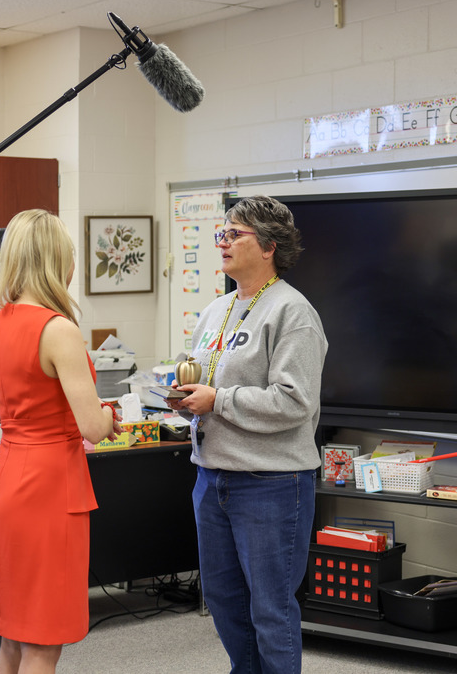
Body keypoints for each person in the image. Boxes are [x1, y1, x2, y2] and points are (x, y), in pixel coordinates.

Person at [166, 195, 327, 674]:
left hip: (271, 483)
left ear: (269, 246)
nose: (223, 242)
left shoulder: (293, 312)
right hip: (212, 477)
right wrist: (185, 397)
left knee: (270, 610)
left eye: (235, 234)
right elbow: (207, 379)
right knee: (224, 601)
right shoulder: (216, 310)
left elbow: (295, 402)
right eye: (222, 233)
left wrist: (217, 400)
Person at [0, 209, 122, 674]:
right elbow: (93, 428)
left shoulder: (1, 322)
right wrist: (109, 415)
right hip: (49, 490)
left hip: (6, 483)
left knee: (13, 637)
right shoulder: (58, 329)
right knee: (43, 644)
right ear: (58, 261)